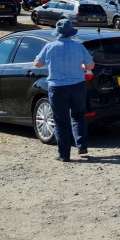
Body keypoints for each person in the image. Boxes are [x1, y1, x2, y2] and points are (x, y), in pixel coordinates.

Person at [33, 19, 96, 162]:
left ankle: (64, 155)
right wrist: (82, 66)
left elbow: (37, 64)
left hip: (57, 87)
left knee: (61, 121)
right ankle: (81, 145)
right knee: (79, 115)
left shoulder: (50, 47)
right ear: (71, 32)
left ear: (57, 32)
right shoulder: (79, 47)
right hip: (77, 85)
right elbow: (91, 66)